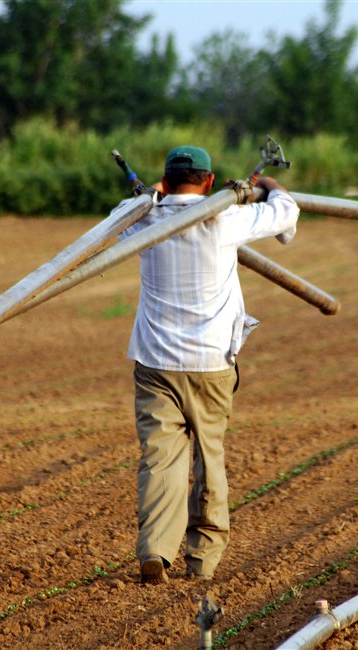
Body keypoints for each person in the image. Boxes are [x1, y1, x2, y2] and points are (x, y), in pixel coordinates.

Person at [115, 145, 299, 584]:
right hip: (212, 364)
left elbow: (123, 212)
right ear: (211, 182)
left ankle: (156, 550)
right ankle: (202, 564)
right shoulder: (226, 219)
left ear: (165, 180)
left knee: (160, 460)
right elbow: (286, 213)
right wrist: (265, 186)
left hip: (155, 362)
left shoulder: (141, 218)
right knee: (208, 459)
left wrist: (154, 196)